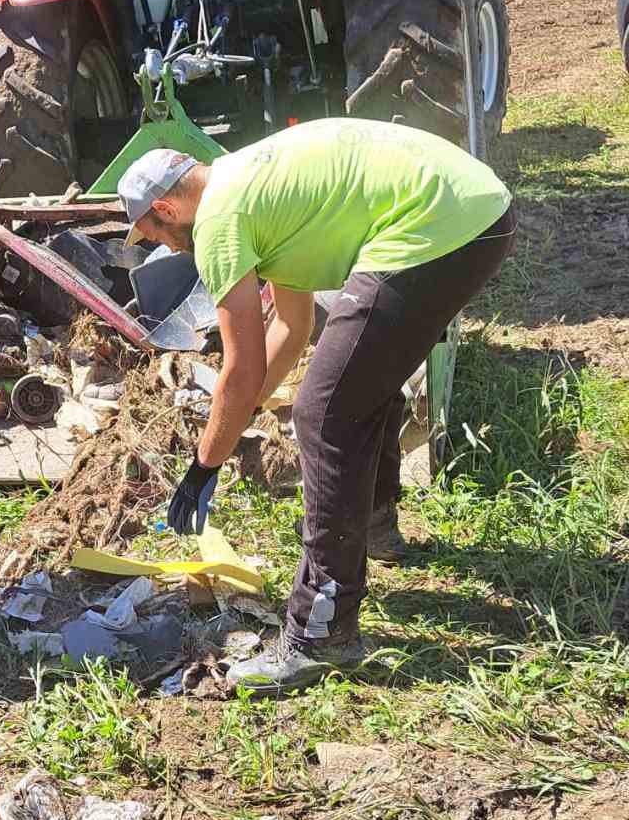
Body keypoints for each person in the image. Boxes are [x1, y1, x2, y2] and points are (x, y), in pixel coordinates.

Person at [118, 120, 515, 694]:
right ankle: (374, 525)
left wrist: (204, 465)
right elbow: (292, 325)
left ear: (166, 207)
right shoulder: (249, 184)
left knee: (322, 412)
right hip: (473, 213)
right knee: (352, 389)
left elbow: (241, 364)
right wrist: (241, 416)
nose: (159, 244)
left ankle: (319, 634)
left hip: (436, 227)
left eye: (152, 234)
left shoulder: (219, 225)